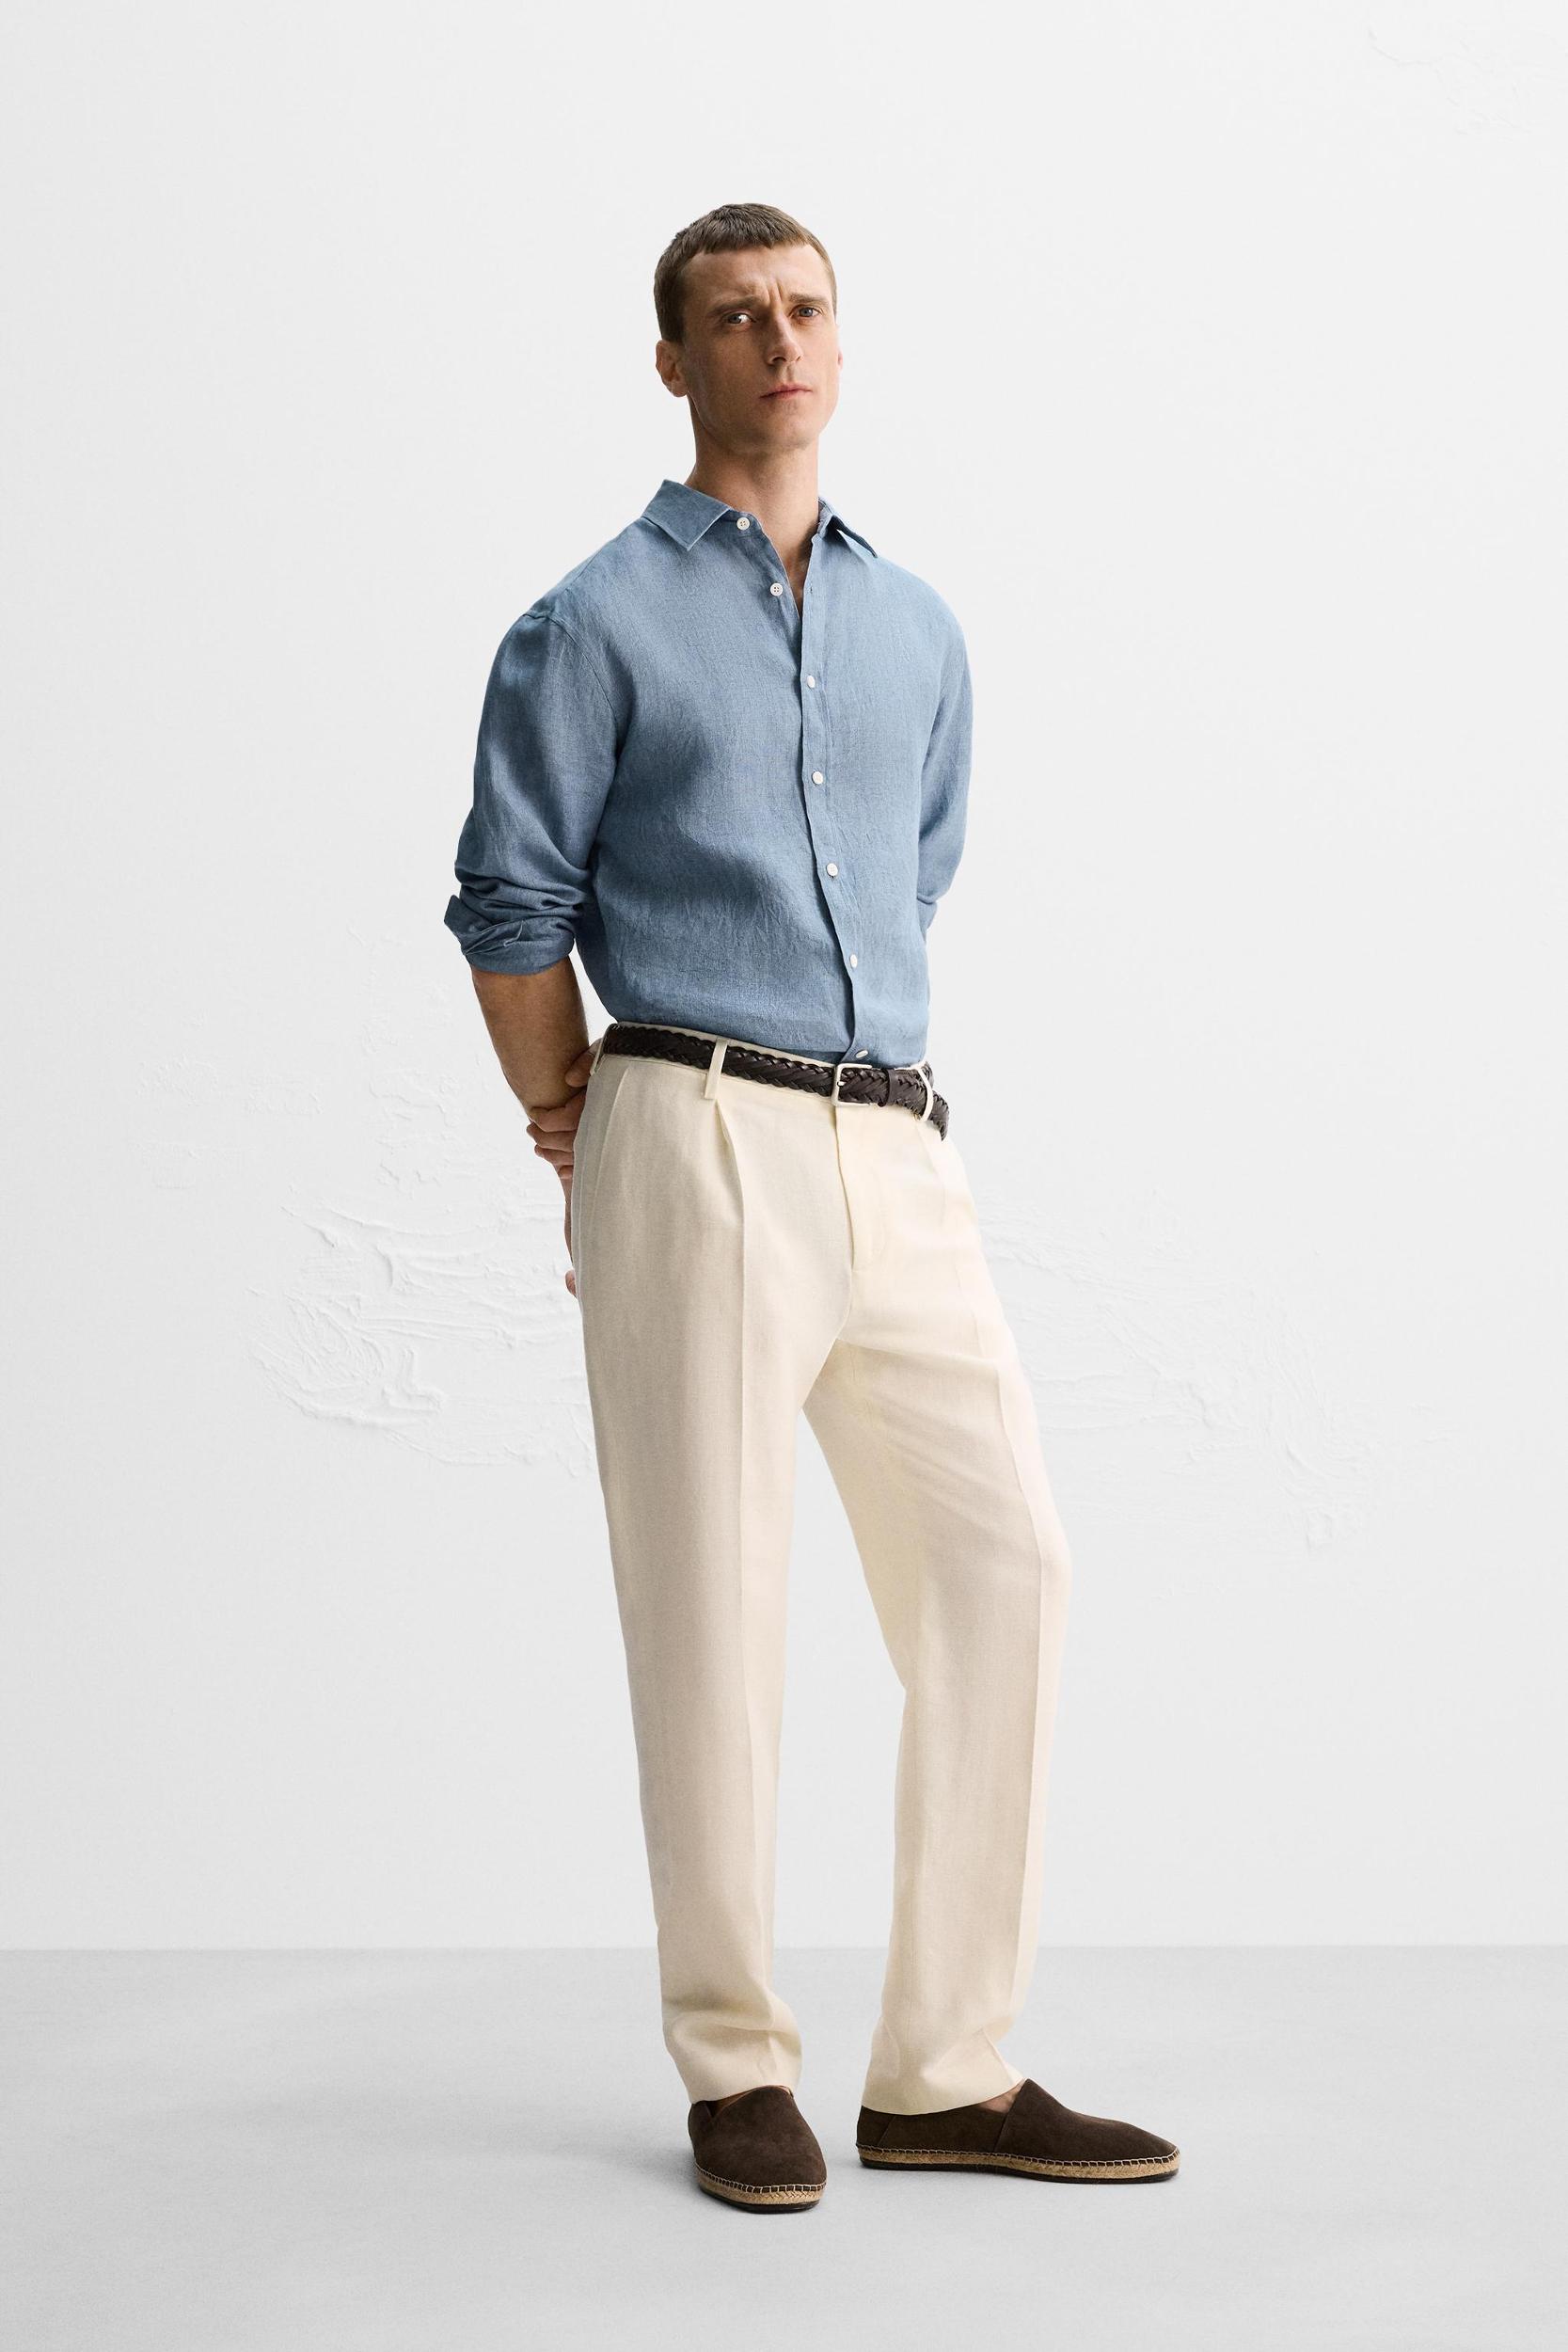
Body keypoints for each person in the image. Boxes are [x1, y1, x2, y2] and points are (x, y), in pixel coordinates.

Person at [442, 202, 1179, 2211]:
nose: (778, 340)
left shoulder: (917, 627)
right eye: (734, 316)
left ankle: (946, 2065)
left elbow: (915, 874)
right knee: (712, 1602)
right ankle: (734, 2059)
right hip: (689, 1115)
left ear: (841, 344)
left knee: (1004, 1562)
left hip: (898, 1137)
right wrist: (570, 1112)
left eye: (805, 308)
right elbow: (509, 902)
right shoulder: (587, 624)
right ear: (672, 361)